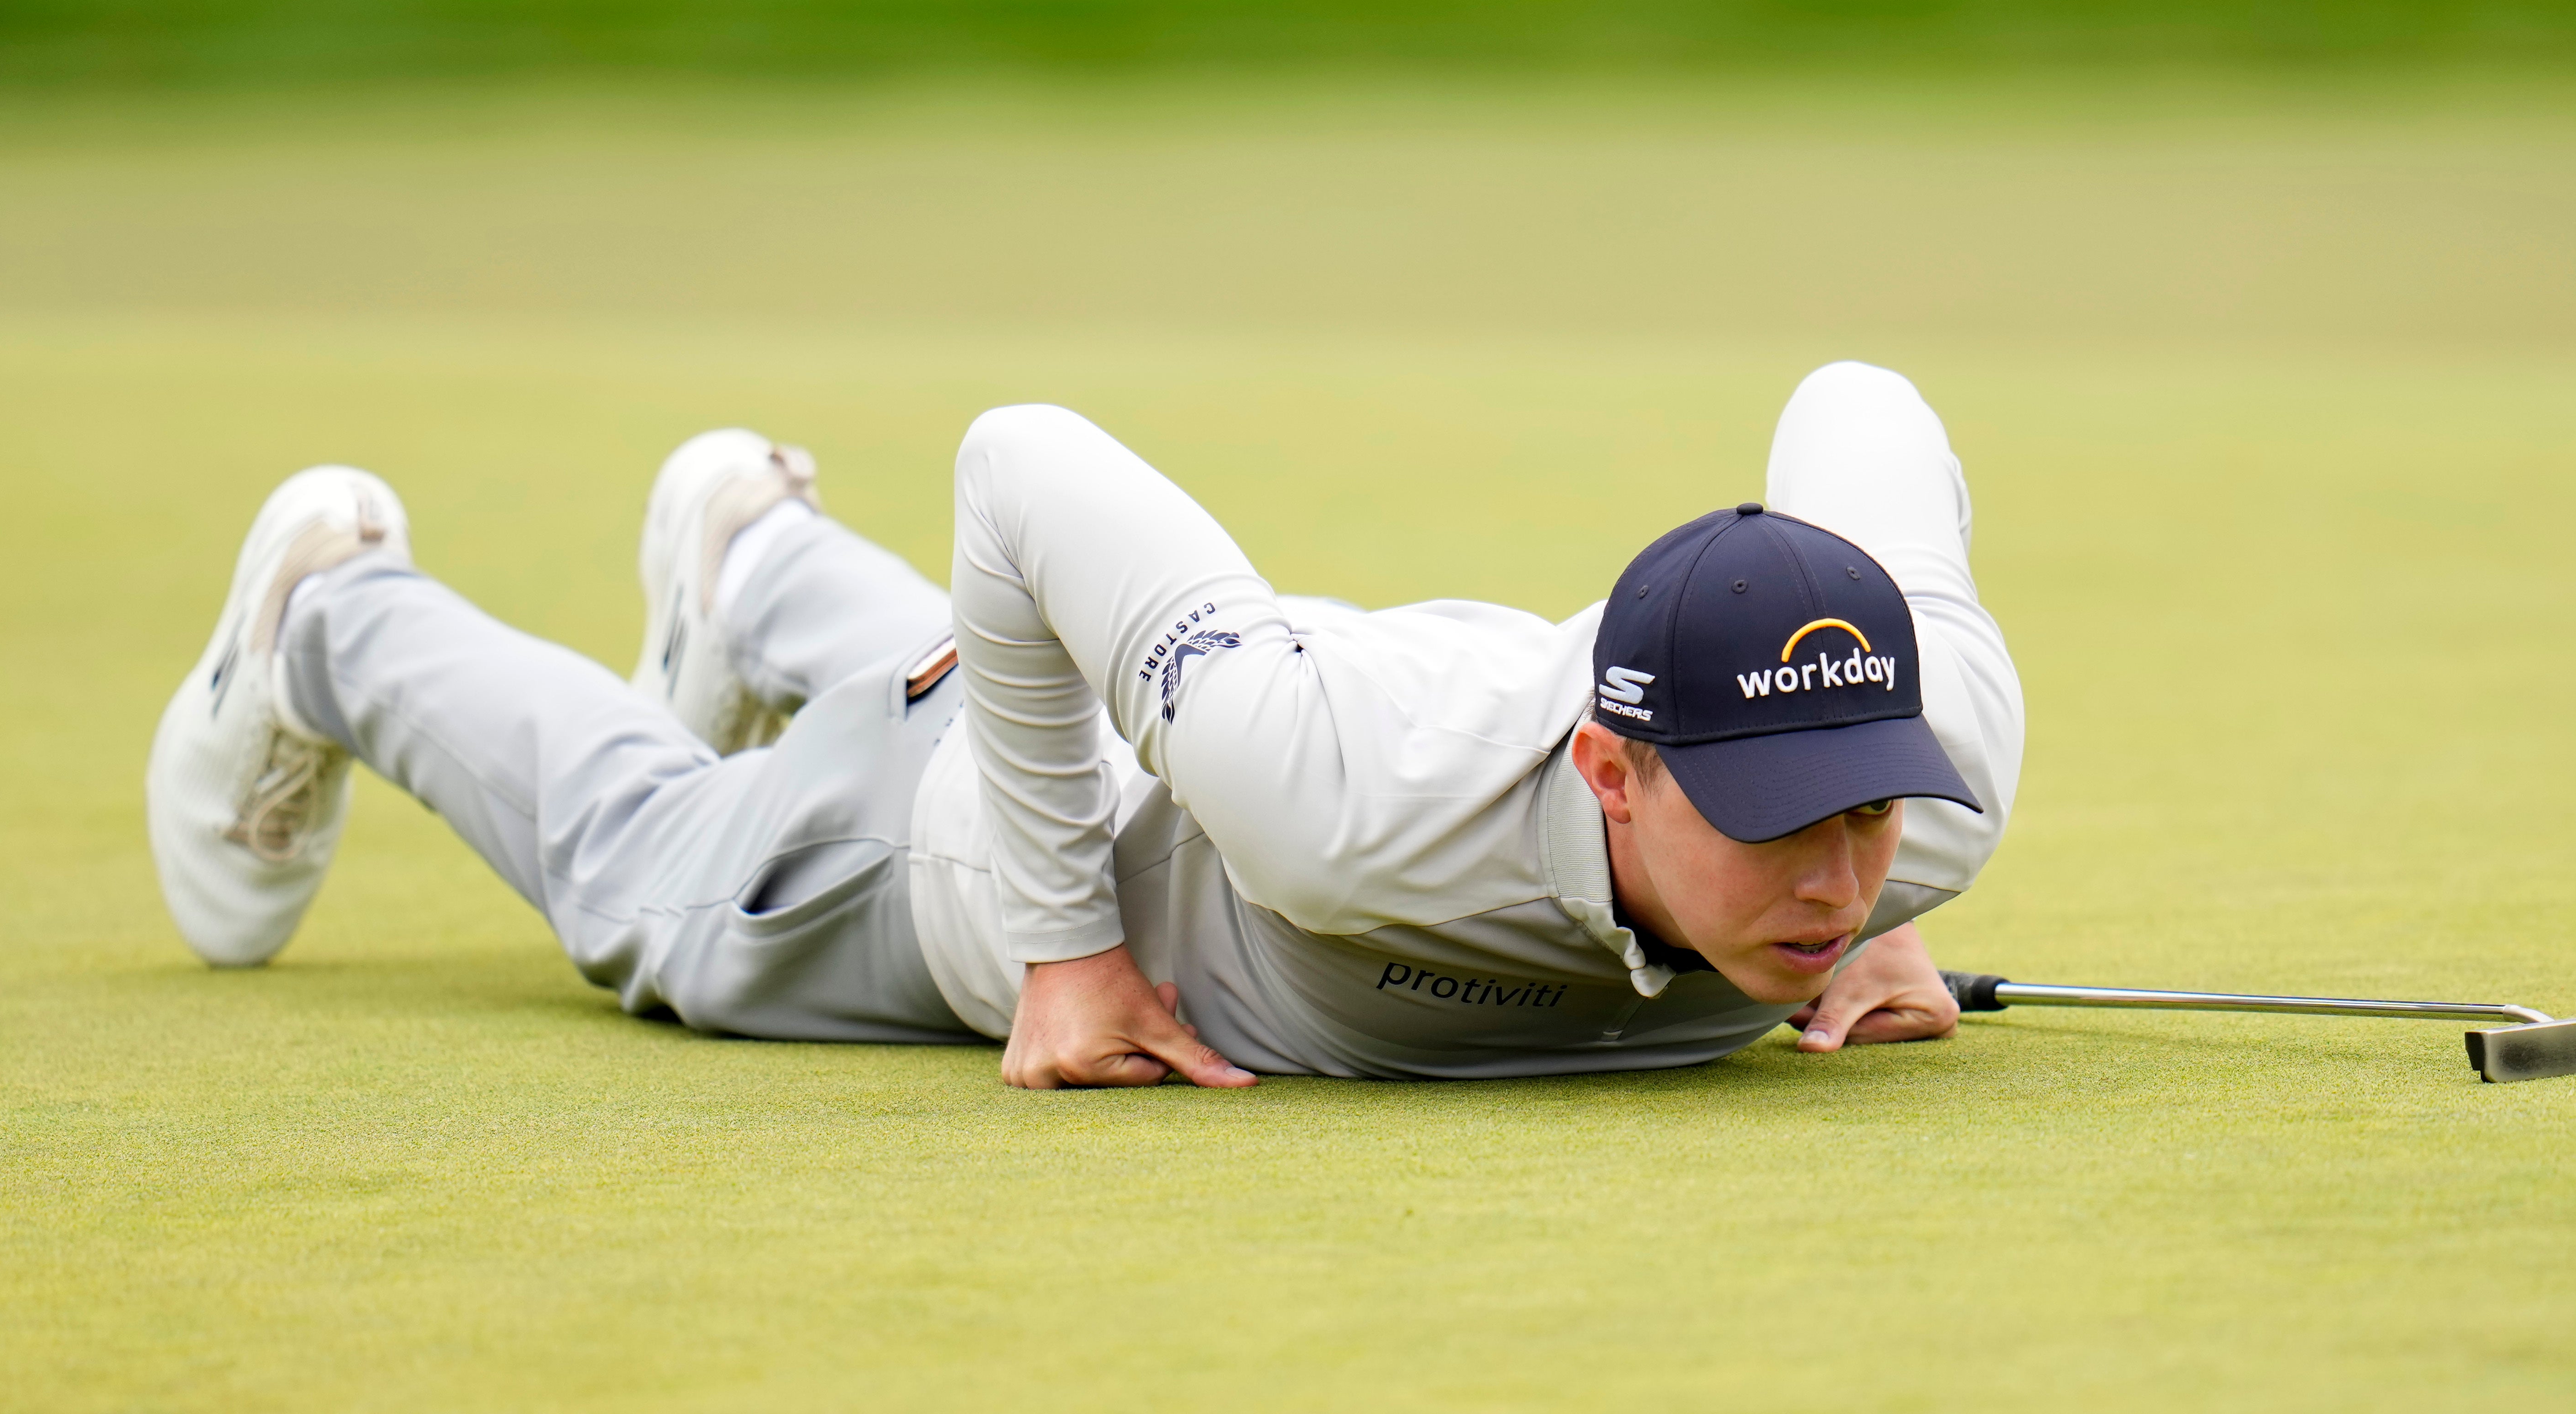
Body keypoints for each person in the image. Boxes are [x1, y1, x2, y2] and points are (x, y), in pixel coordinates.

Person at [145, 361, 2023, 1087]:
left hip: (1178, 717)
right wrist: (1061, 948)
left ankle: (759, 568)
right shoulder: (1343, 800)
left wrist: (1867, 889)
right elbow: (1020, 460)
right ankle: (332, 616)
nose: (1836, 863)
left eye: (1860, 806)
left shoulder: (1933, 785)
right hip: (994, 834)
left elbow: (1857, 398)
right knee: (651, 888)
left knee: (1026, 677)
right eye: (1783, 820)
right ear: (1609, 766)